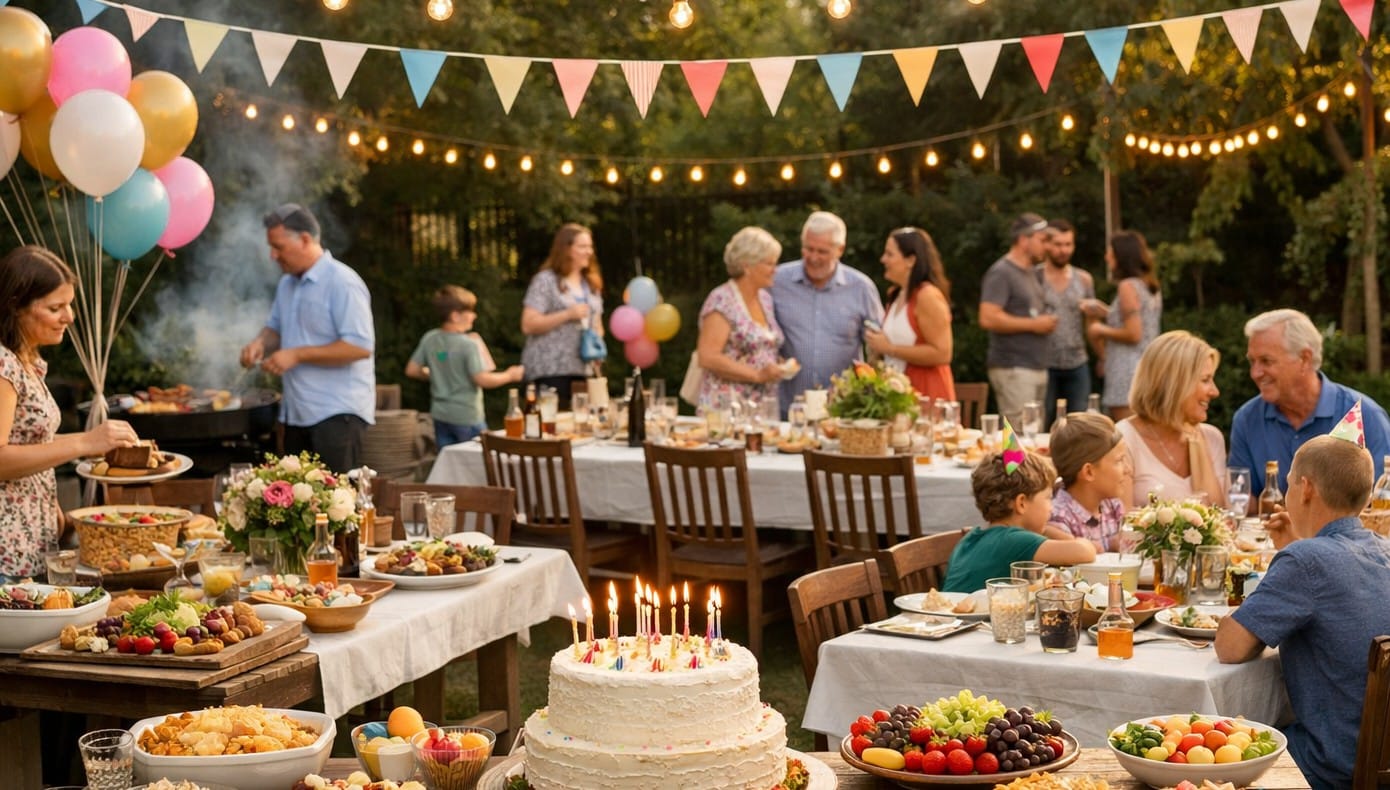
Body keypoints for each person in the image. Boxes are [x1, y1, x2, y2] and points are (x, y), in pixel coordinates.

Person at [1216, 435, 1390, 790]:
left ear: (1306, 488)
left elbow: (1230, 647)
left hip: (1331, 764)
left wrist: (1290, 561)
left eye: (1289, 483)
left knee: (1215, 751)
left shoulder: (1306, 562)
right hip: (1380, 761)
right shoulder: (1382, 549)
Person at [0, 246, 139, 579]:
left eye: (69, 304)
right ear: (15, 306)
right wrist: (83, 443)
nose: (70, 316)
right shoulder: (3, 365)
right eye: (55, 307)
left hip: (31, 538)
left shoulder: (27, 363)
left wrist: (51, 506)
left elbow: (29, 441)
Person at [240, 203, 376, 473]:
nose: (273, 255)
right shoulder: (287, 284)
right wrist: (259, 343)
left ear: (304, 239)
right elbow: (274, 329)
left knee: (337, 508)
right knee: (297, 510)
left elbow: (360, 347)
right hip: (296, 412)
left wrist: (297, 354)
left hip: (337, 415)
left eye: (278, 247)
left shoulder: (343, 282)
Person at [1229, 308, 1390, 500]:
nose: (1255, 373)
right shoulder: (1247, 420)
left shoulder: (1364, 416)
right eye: (1252, 362)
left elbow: (1382, 502)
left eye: (1266, 361)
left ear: (1304, 359)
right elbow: (1243, 500)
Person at [771, 211, 883, 414]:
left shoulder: (861, 288)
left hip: (843, 408)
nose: (813, 258)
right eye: (808, 249)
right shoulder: (777, 281)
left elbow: (879, 344)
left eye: (822, 251)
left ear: (840, 249)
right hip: (789, 406)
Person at [941, 450, 1096, 593]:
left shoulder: (971, 538)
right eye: (1048, 498)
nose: (1051, 508)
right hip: (972, 622)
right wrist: (1054, 532)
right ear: (1021, 503)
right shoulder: (1014, 540)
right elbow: (1084, 552)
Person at [1115, 330, 1226, 508]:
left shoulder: (1212, 438)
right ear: (1175, 384)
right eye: (1205, 380)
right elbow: (1120, 526)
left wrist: (1198, 444)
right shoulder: (1124, 439)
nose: (1214, 391)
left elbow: (1221, 519)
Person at [406, 285, 524, 449]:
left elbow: (412, 370)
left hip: (440, 415)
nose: (474, 316)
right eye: (469, 311)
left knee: (450, 461)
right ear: (455, 316)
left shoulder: (430, 338)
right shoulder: (468, 344)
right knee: (479, 462)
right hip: (467, 417)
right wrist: (510, 375)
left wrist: (437, 375)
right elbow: (482, 379)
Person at [978, 212, 1057, 429]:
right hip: (1013, 366)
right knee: (1019, 439)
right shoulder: (1002, 272)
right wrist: (1034, 325)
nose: (1047, 247)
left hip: (1036, 365)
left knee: (1033, 434)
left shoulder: (1031, 272)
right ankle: (1012, 466)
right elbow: (987, 317)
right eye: (1042, 240)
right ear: (1024, 240)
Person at [695, 227, 786, 410]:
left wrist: (777, 366)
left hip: (763, 407)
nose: (775, 270)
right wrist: (757, 374)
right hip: (727, 407)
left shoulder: (765, 299)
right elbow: (707, 357)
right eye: (769, 264)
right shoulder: (722, 299)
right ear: (747, 266)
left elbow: (761, 347)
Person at [864, 227, 955, 402]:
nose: (883, 259)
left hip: (926, 394)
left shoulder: (927, 296)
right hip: (897, 396)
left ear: (911, 260)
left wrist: (890, 348)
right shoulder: (895, 295)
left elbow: (943, 353)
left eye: (889, 254)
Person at [520, 223, 603, 409]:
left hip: (583, 370)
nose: (589, 251)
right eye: (582, 247)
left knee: (581, 427)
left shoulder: (591, 284)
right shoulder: (546, 281)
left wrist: (598, 347)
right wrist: (567, 314)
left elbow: (597, 324)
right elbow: (528, 324)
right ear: (566, 249)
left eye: (590, 246)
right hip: (549, 370)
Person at [1087, 230, 1161, 421]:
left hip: (1126, 370)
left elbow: (1134, 333)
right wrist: (1106, 312)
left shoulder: (1127, 286)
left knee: (1125, 434)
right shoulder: (1149, 285)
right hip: (1148, 366)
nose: (1107, 257)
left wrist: (1099, 329)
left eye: (1110, 252)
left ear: (1121, 255)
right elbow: (1141, 321)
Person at [1038, 219, 1104, 426]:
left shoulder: (1083, 279)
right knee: (1043, 422)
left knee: (1080, 425)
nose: (1063, 250)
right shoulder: (1033, 277)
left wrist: (1102, 355)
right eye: (1058, 244)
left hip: (1077, 362)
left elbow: (1091, 323)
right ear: (1047, 244)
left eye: (1068, 244)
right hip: (1043, 362)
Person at [1047, 412, 1131, 552]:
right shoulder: (1059, 519)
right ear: (1089, 472)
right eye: (1119, 460)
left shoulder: (1112, 505)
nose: (1128, 470)